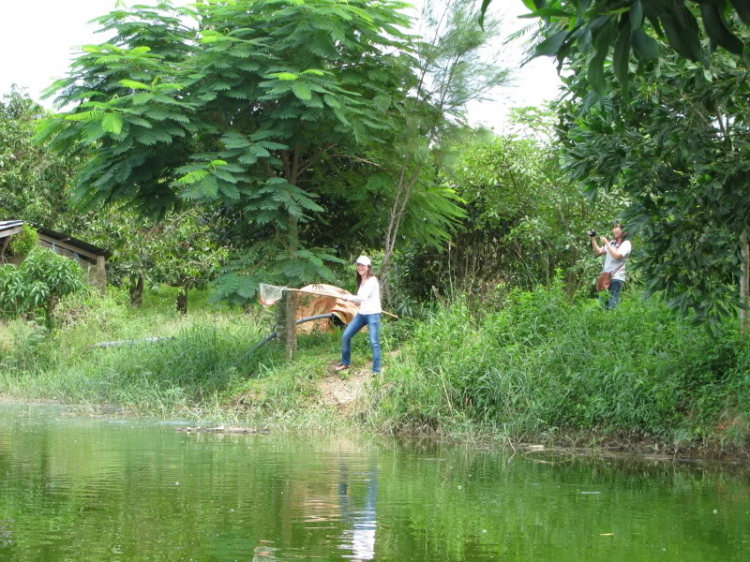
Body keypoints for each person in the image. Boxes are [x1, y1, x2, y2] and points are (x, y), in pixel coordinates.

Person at [335, 256, 382, 374]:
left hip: (373, 315)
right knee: (346, 336)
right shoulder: (362, 280)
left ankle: (376, 370)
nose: (360, 267)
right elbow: (360, 299)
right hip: (362, 314)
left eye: (362, 265)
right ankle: (345, 363)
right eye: (358, 265)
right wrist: (354, 301)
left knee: (374, 342)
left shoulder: (372, 280)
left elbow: (362, 297)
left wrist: (347, 297)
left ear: (368, 267)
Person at [590, 221, 632, 309]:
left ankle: (614, 322)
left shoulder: (626, 244)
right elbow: (599, 251)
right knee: (602, 305)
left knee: (613, 305)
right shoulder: (612, 243)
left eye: (616, 227)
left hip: (616, 278)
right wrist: (593, 239)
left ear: (623, 230)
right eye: (614, 227)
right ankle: (604, 322)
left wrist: (606, 243)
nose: (614, 230)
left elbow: (617, 256)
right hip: (606, 277)